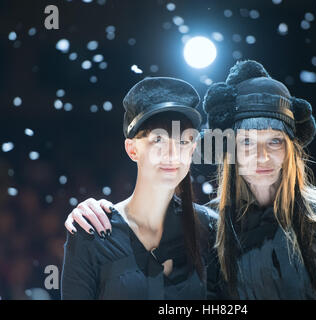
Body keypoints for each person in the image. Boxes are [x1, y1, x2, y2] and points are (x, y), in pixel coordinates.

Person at [203, 59, 316, 299]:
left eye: (275, 141)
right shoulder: (209, 224)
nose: (263, 156)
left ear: (290, 148)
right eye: (247, 142)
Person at [61, 77, 218, 299]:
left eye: (183, 142)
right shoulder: (92, 233)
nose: (172, 154)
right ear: (132, 149)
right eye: (158, 140)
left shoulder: (210, 229)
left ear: (192, 151)